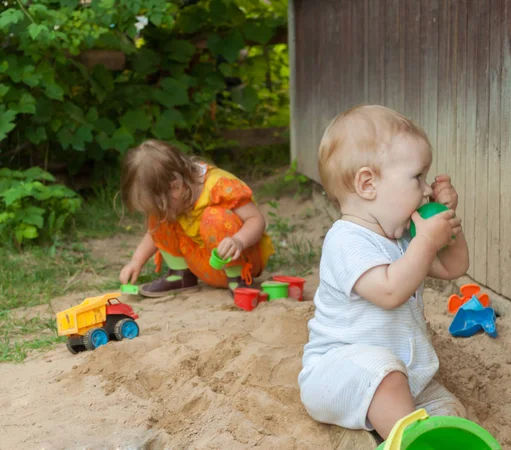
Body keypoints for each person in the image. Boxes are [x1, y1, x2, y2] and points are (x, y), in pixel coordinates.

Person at [298, 105, 469, 448]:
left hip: (402, 376)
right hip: (339, 374)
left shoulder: (403, 238)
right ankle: (405, 441)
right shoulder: (346, 239)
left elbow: (454, 268)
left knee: (452, 412)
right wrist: (424, 241)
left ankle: (399, 431)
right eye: (416, 177)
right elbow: (391, 290)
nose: (425, 190)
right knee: (385, 373)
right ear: (367, 184)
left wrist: (448, 222)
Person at [118, 139, 274, 297]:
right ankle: (181, 276)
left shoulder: (219, 186)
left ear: (175, 187)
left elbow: (256, 219)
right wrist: (136, 261)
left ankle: (238, 278)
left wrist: (238, 241)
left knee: (214, 218)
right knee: (159, 218)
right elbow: (154, 231)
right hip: (206, 264)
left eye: (159, 206)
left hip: (241, 258)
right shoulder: (176, 199)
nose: (158, 214)